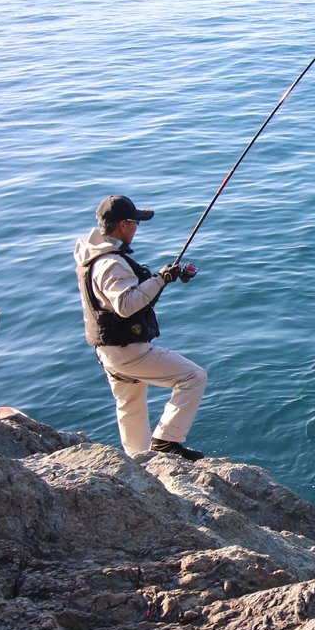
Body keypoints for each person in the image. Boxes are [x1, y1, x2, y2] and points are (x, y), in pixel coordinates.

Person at [74, 195, 207, 460]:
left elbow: (126, 297)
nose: (137, 228)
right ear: (122, 225)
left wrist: (164, 278)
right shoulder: (110, 263)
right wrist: (159, 279)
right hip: (128, 352)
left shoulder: (94, 255)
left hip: (109, 352)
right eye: (135, 222)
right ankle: (167, 440)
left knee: (130, 405)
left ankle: (140, 460)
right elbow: (125, 304)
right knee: (193, 377)